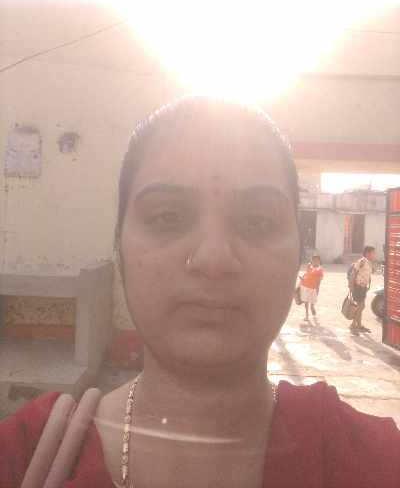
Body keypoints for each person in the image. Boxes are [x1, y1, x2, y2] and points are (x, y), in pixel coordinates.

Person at [0, 98, 399, 487]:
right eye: (167, 217)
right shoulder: (24, 457)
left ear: (298, 253)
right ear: (119, 247)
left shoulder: (372, 459)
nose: (213, 259)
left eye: (258, 221)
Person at [348, 246, 376, 335]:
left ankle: (358, 325)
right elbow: (353, 273)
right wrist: (351, 286)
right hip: (358, 286)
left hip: (363, 287)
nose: (374, 255)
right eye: (373, 253)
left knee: (361, 306)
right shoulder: (362, 261)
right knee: (360, 306)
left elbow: (371, 272)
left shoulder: (368, 262)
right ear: (368, 253)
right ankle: (353, 325)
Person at [299, 254, 324, 320]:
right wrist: (302, 278)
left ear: (319, 261)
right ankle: (307, 315)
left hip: (313, 288)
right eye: (313, 260)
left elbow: (319, 282)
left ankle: (312, 306)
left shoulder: (320, 270)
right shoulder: (309, 266)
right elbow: (306, 274)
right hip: (305, 286)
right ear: (312, 260)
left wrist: (317, 290)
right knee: (306, 301)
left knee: (312, 302)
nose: (315, 262)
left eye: (317, 260)